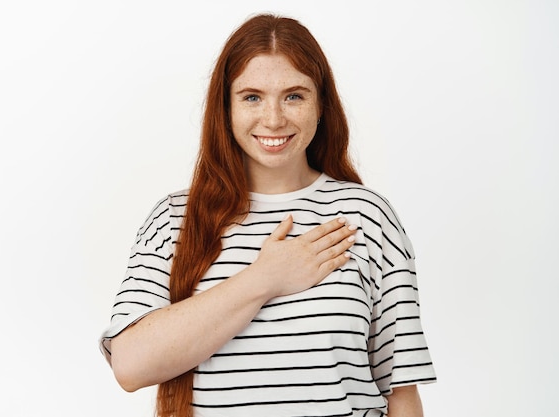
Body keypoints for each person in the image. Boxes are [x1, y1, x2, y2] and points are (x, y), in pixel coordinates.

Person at [99, 13, 436, 417]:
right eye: (252, 97)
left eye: (294, 95)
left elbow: (401, 392)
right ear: (225, 107)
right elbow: (131, 366)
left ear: (321, 105)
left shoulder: (367, 216)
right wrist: (264, 279)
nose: (273, 119)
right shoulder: (175, 219)